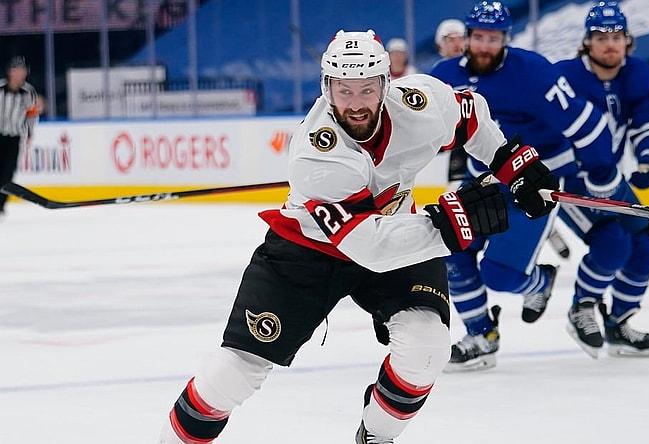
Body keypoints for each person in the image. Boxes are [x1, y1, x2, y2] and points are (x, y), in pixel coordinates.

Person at [155, 29, 558, 444]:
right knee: (233, 372)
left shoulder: (418, 104)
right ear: (326, 88)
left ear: (387, 84)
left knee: (426, 348)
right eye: (343, 90)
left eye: (367, 89)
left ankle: (376, 437)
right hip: (309, 253)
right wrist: (454, 225)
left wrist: (512, 163)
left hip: (397, 230)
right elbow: (371, 246)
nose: (355, 103)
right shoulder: (317, 154)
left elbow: (470, 113)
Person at [429, 0, 620, 372]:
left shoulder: (531, 71)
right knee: (451, 248)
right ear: (466, 38)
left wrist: (602, 174)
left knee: (501, 276)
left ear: (506, 38)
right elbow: (413, 131)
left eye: (493, 38)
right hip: (481, 181)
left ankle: (539, 282)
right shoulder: (443, 76)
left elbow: (585, 122)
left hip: (531, 185)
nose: (485, 45)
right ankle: (482, 336)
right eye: (479, 37)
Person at [556, 1, 649, 358]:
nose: (610, 44)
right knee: (612, 245)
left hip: (611, 179)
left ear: (627, 40)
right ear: (587, 42)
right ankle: (582, 307)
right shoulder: (564, 77)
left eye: (617, 36)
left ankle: (618, 324)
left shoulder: (639, 74)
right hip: (566, 182)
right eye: (601, 37)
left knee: (646, 251)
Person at [0, 56, 38, 220]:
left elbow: (31, 115)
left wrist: (29, 134)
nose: (21, 73)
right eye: (17, 70)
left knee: (8, 173)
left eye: (23, 70)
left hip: (14, 137)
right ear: (10, 72)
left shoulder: (28, 92)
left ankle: (0, 205)